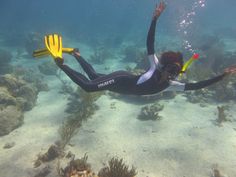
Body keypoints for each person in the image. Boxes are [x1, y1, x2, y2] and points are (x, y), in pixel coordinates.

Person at [35, 1, 236, 95]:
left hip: (121, 88)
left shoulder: (172, 84)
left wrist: (222, 76)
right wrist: (155, 19)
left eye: (175, 72)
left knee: (94, 76)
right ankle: (60, 63)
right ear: (164, 66)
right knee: (89, 87)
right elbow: (150, 44)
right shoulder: (155, 65)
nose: (171, 75)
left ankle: (76, 53)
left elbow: (197, 85)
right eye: (170, 70)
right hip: (122, 78)